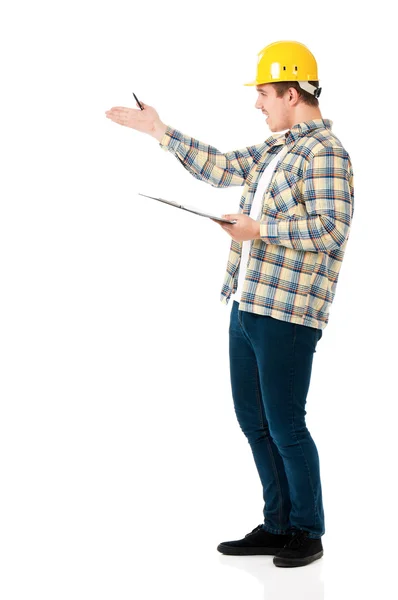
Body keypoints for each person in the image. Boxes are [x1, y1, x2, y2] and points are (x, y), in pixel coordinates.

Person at [105, 40, 354, 568]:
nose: (257, 103)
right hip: (247, 302)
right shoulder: (275, 149)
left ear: (292, 92)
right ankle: (278, 523)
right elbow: (219, 167)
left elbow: (332, 229)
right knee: (254, 421)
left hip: (288, 311)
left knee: (286, 422)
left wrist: (259, 229)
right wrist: (160, 132)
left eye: (264, 93)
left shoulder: (326, 152)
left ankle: (308, 531)